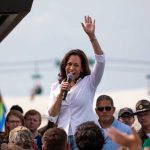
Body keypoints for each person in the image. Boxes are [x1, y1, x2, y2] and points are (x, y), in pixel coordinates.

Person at [48, 15, 105, 150]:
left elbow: (101, 61)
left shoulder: (89, 82)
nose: (71, 68)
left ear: (82, 68)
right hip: (63, 139)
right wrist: (60, 93)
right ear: (64, 66)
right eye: (69, 64)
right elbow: (52, 116)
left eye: (76, 65)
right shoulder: (56, 87)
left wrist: (92, 37)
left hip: (86, 138)